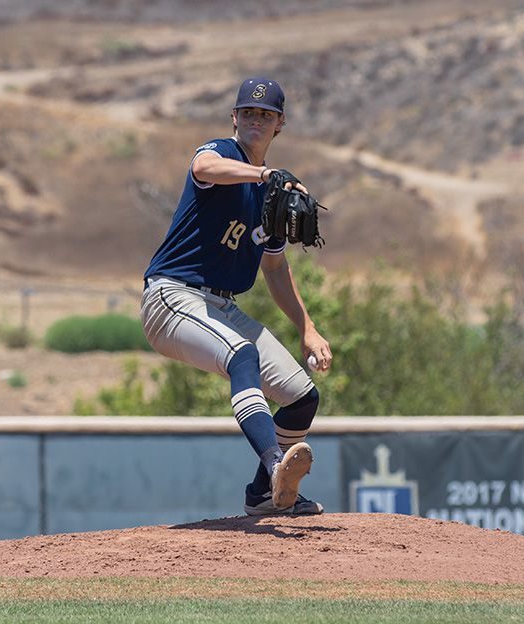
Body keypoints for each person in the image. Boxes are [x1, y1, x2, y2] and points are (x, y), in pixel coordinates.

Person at [140, 76, 333, 515]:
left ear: (279, 124)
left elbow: (275, 267)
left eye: (265, 115)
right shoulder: (223, 154)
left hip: (222, 305)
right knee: (242, 356)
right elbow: (201, 169)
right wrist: (263, 172)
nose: (255, 120)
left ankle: (265, 494)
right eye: (248, 112)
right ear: (234, 117)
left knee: (302, 395)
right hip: (172, 296)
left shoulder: (271, 192)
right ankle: (275, 463)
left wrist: (307, 327)